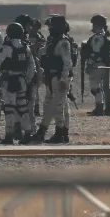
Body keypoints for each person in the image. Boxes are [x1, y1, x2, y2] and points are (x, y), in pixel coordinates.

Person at [33, 14, 75, 144]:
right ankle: (42, 131)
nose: (49, 28)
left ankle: (60, 133)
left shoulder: (63, 42)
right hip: (52, 77)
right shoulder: (53, 40)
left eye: (51, 26)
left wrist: (63, 79)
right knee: (48, 105)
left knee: (58, 107)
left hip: (59, 78)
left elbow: (67, 63)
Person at [0, 22, 36, 145]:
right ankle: (28, 133)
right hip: (22, 80)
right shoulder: (26, 47)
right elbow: (32, 67)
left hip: (9, 80)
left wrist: (0, 77)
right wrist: (27, 80)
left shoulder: (6, 48)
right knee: (23, 108)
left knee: (9, 108)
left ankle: (9, 135)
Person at [82, 14, 110, 116]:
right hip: (104, 64)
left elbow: (95, 53)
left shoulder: (97, 37)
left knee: (95, 87)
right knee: (105, 86)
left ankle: (99, 108)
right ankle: (107, 109)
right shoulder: (105, 36)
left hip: (97, 65)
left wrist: (90, 63)